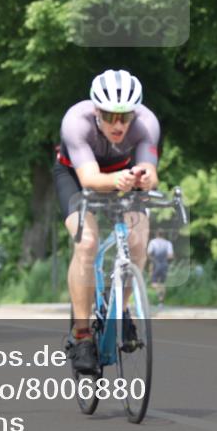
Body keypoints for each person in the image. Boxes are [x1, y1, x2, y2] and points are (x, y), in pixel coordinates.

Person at [55, 69, 160, 373]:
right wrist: (119, 179)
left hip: (122, 175)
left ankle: (121, 307)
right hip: (75, 176)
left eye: (125, 116)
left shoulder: (146, 124)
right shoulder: (76, 122)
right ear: (96, 110)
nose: (118, 124)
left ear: (134, 113)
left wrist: (143, 177)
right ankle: (82, 335)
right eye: (110, 116)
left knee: (139, 240)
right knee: (87, 243)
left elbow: (150, 173)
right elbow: (88, 178)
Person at [147, 230, 174, 306]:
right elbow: (170, 255)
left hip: (155, 264)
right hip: (164, 264)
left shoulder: (153, 242)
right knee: (162, 283)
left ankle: (157, 295)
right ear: (164, 235)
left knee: (153, 283)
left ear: (156, 235)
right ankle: (161, 301)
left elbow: (149, 253)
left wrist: (152, 262)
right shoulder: (168, 243)